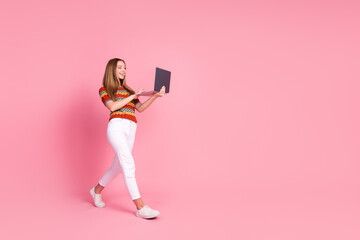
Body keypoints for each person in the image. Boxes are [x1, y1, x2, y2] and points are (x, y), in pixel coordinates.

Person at [90, 58, 165, 219]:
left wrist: (155, 96)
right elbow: (112, 106)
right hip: (116, 127)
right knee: (128, 164)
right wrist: (133, 96)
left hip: (131, 128)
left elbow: (140, 108)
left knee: (118, 167)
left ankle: (96, 190)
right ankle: (140, 207)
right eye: (119, 67)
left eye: (125, 67)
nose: (123, 70)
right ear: (112, 70)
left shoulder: (130, 91)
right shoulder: (104, 89)